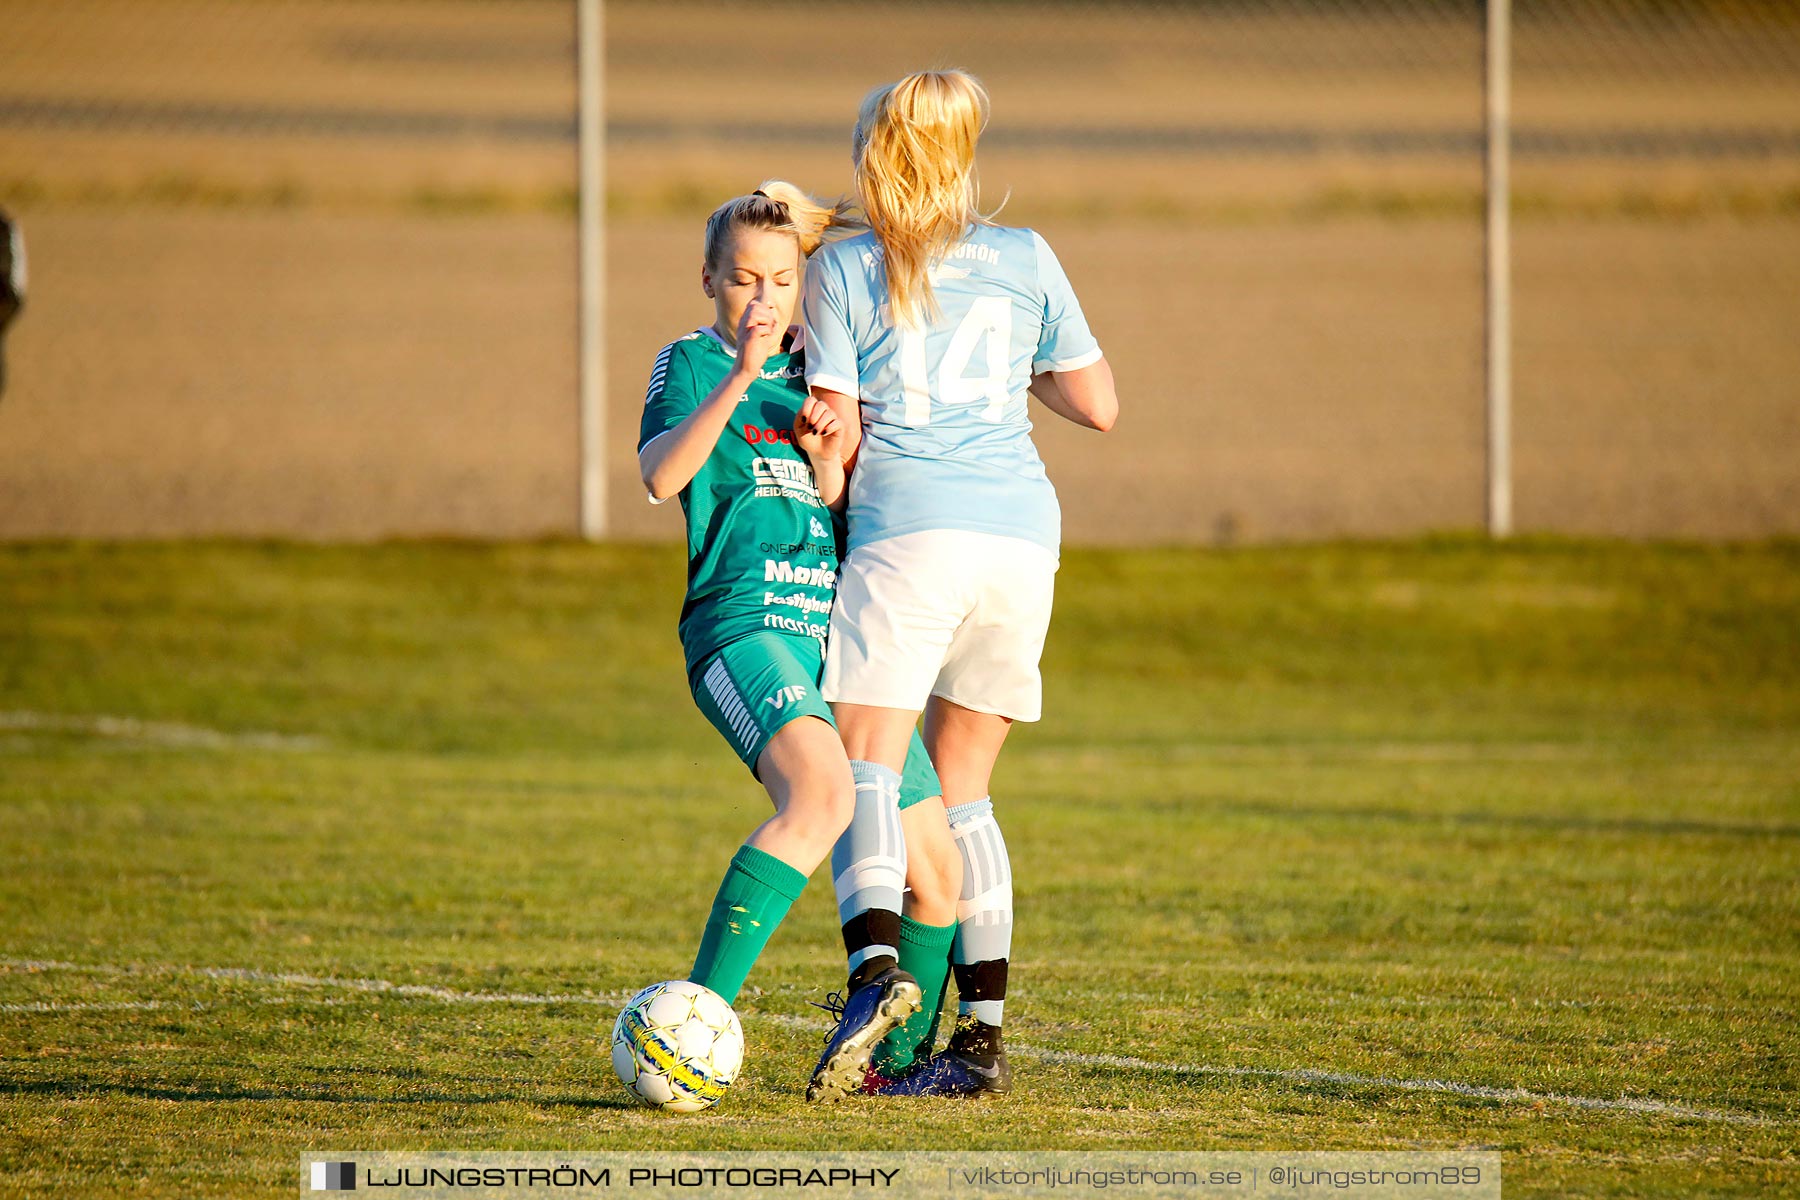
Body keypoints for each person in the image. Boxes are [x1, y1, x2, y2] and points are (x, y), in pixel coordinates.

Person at [801, 70, 1119, 1099]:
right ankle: (977, 1041)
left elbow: (839, 431)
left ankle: (874, 971)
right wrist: (1007, 368)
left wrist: (824, 482)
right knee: (968, 792)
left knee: (869, 766)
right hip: (1022, 535)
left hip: (912, 532)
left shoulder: (848, 265)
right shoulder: (1026, 257)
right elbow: (1098, 404)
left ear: (872, 157)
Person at [635, 185, 950, 1098]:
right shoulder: (693, 362)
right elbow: (660, 477)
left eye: (780, 281)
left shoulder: (828, 380)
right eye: (742, 280)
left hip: (840, 643)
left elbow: (858, 534)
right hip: (745, 627)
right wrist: (740, 375)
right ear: (708, 281)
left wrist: (826, 462)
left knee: (937, 875)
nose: (763, 300)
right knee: (822, 791)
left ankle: (879, 1078)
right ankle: (688, 1027)